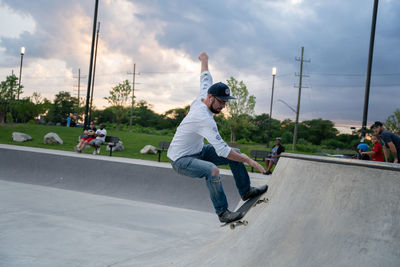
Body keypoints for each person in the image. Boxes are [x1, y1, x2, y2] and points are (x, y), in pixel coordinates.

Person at [167, 51, 267, 223]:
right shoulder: (204, 118)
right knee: (212, 170)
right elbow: (222, 150)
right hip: (181, 160)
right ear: (211, 98)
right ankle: (222, 213)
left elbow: (205, 76)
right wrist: (249, 161)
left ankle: (246, 191)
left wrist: (204, 59)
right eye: (221, 102)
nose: (223, 106)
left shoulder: (205, 93)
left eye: (225, 103)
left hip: (198, 151)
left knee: (235, 152)